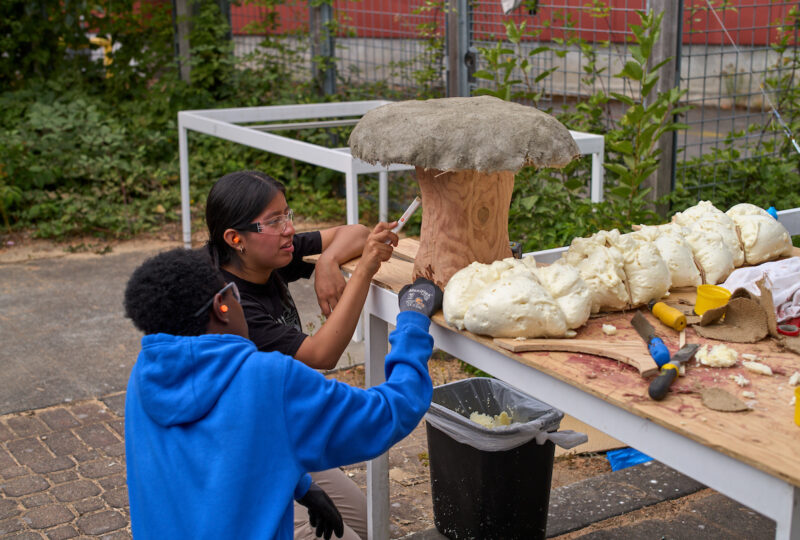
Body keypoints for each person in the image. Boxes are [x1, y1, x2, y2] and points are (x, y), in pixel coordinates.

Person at [123, 247, 443, 539]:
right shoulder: (268, 378)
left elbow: (221, 454)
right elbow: (388, 413)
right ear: (223, 306)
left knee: (363, 521)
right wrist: (413, 320)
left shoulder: (145, 375)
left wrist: (303, 488)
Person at [204, 170, 388, 539]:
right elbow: (323, 354)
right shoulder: (229, 306)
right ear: (235, 238)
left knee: (373, 526)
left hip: (283, 431)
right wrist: (364, 269)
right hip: (243, 457)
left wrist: (326, 262)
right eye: (274, 221)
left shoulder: (267, 254)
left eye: (287, 215)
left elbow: (357, 233)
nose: (288, 229)